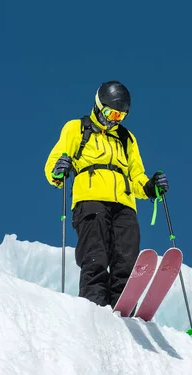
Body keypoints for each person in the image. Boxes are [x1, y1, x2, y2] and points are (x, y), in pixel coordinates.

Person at [44, 80, 169, 310]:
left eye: (120, 116)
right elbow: (54, 162)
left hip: (124, 204)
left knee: (126, 259)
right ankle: (94, 307)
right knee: (95, 257)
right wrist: (58, 170)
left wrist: (151, 187)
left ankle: (122, 308)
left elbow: (137, 176)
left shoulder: (126, 139)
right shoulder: (76, 128)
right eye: (111, 113)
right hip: (90, 202)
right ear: (98, 106)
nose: (114, 120)